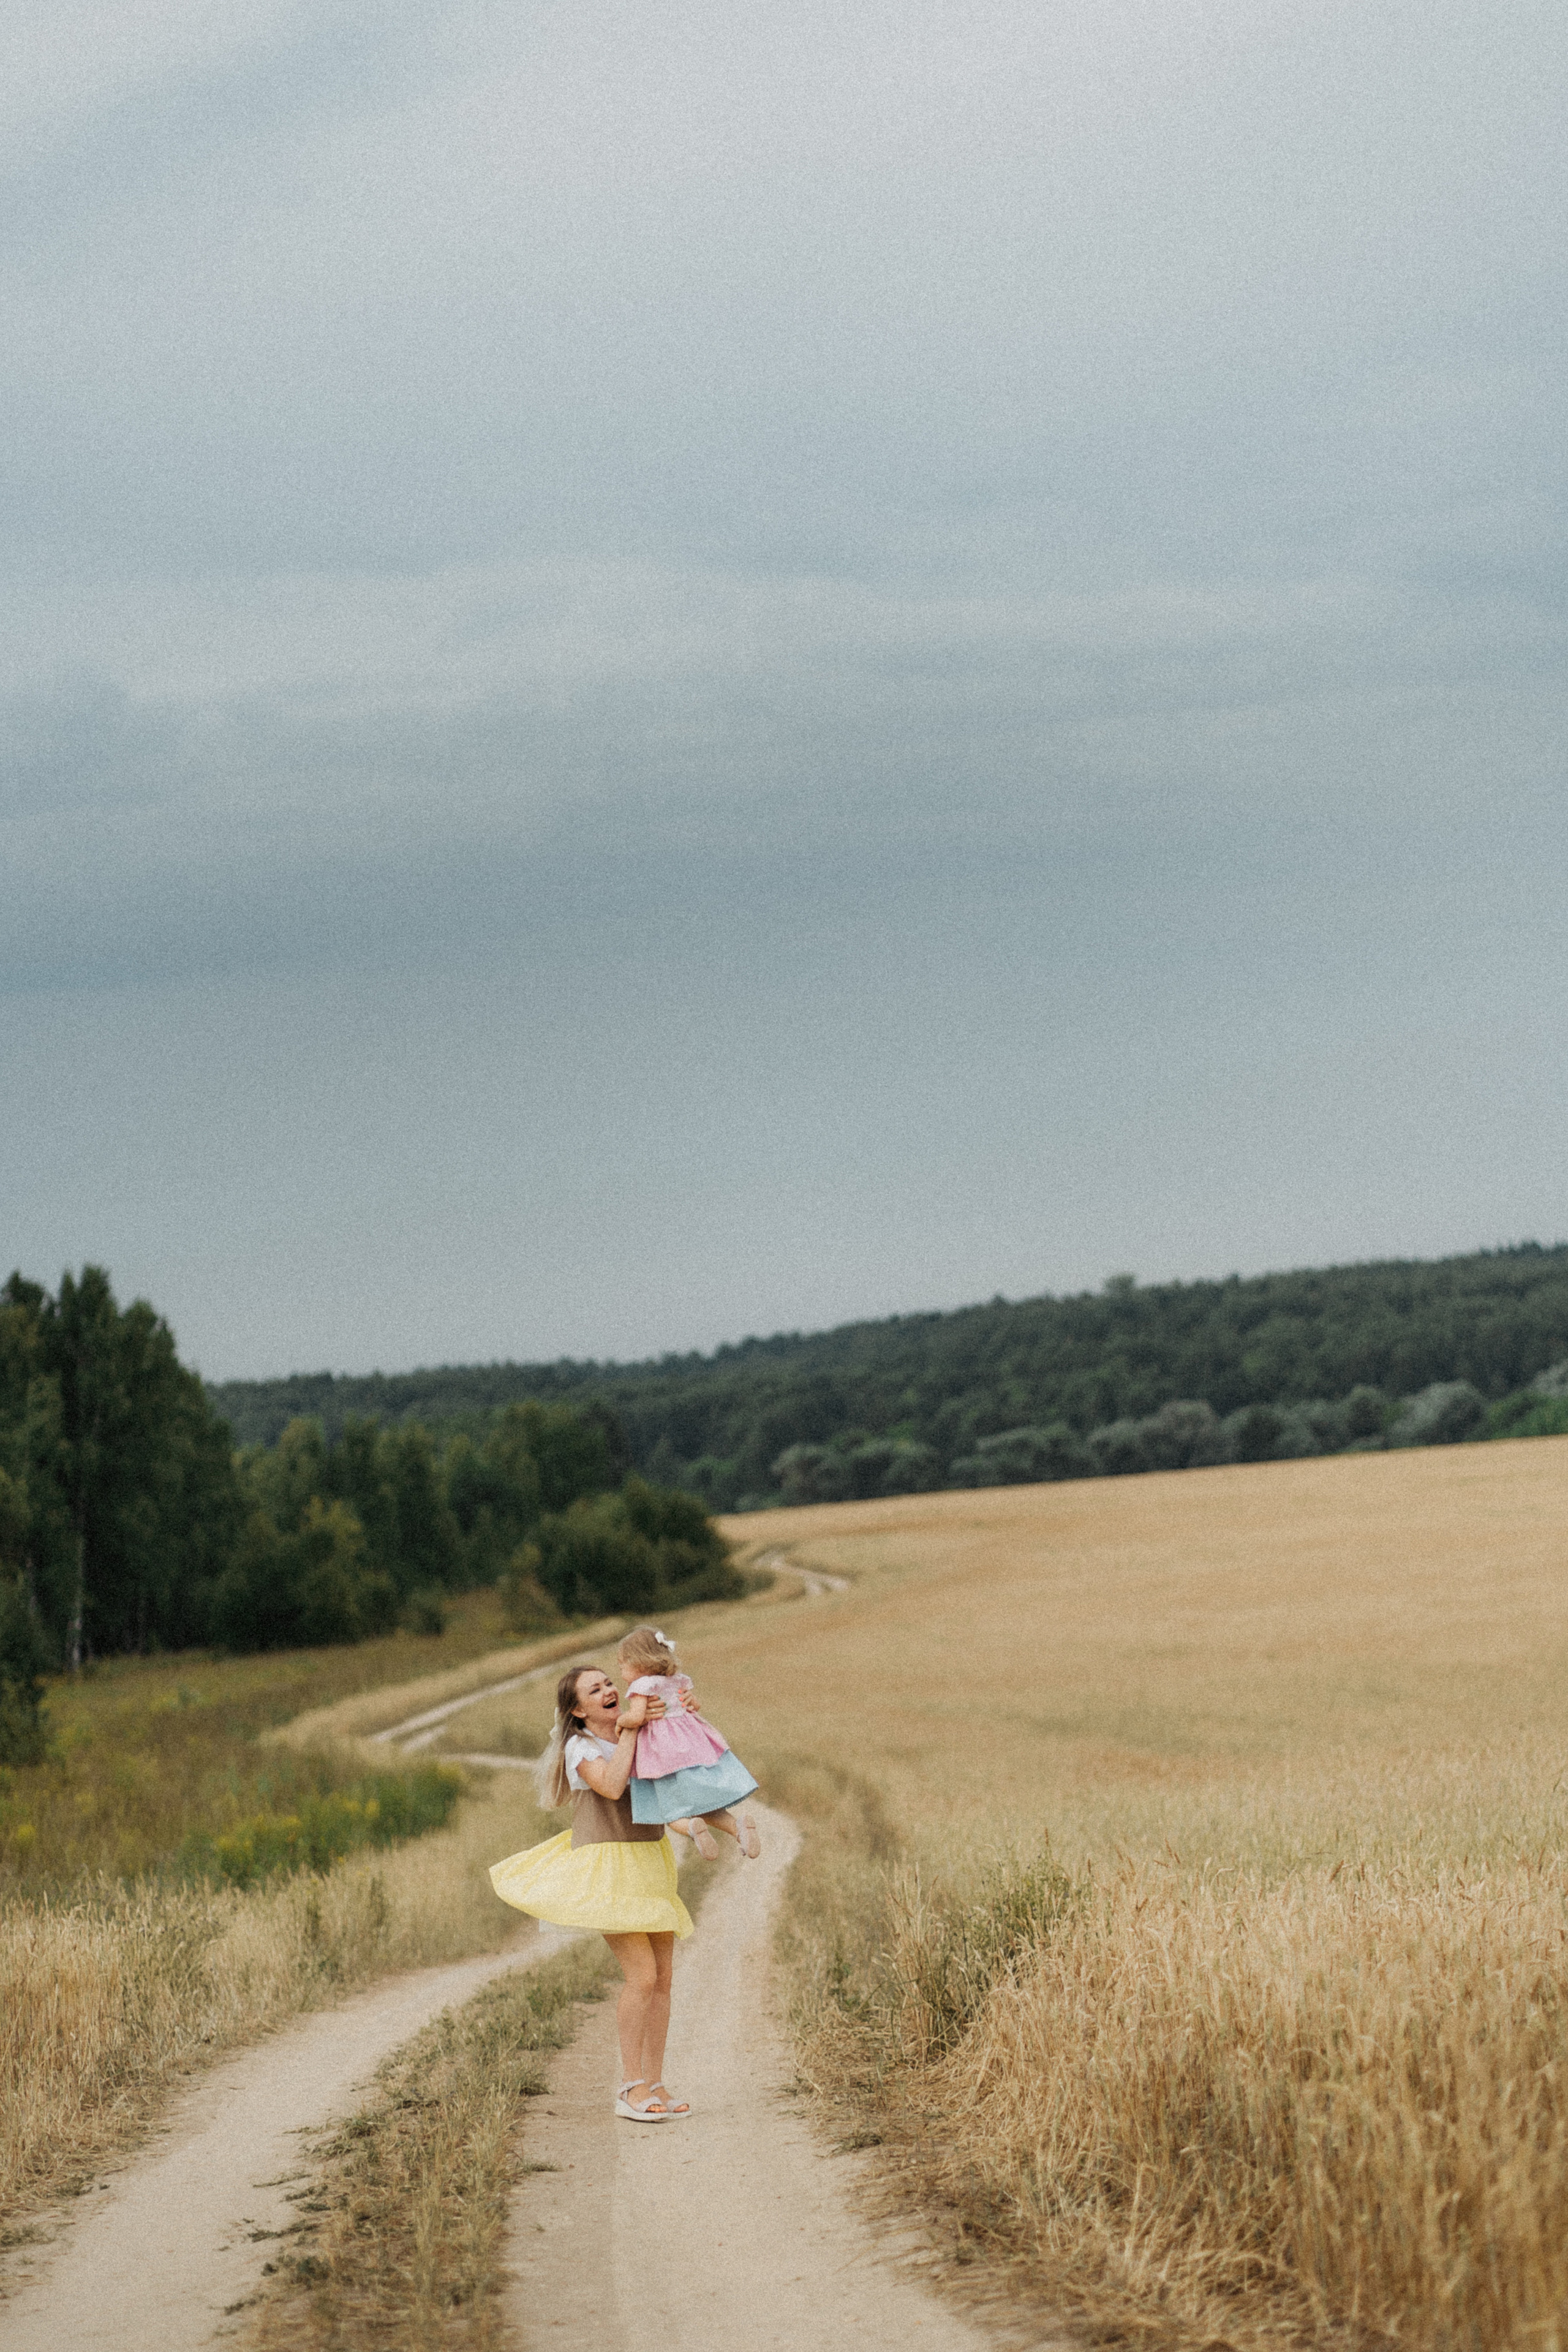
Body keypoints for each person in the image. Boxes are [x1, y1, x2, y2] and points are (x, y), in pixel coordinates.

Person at [489, 1663, 693, 2122]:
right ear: (578, 1711)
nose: (608, 1690)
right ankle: (630, 2086)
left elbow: (680, 1761)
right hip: (608, 1867)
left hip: (649, 1859)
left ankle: (655, 2082)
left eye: (608, 1683)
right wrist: (630, 1732)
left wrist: (684, 1710)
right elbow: (613, 1784)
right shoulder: (579, 1748)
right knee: (641, 1976)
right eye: (594, 1689)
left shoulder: (638, 1731)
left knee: (662, 1978)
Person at [617, 1624, 761, 1861]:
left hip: (664, 1755)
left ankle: (693, 1829)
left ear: (639, 1663)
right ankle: (739, 1828)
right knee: (703, 1804)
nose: (622, 1673)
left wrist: (621, 1722)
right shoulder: (677, 1681)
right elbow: (694, 1706)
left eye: (623, 1666)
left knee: (672, 1813)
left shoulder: (642, 1686)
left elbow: (636, 1718)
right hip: (693, 1748)